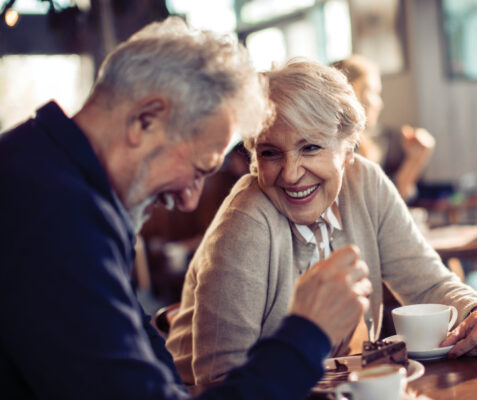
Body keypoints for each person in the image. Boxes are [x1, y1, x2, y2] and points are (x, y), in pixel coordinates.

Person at [0, 18, 372, 400]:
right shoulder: (54, 220)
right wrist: (307, 333)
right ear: (146, 121)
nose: (191, 201)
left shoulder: (47, 175)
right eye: (199, 170)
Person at [166, 59, 477, 389]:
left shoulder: (366, 183)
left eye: (310, 148)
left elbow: (427, 282)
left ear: (349, 150)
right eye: (270, 152)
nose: (290, 174)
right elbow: (220, 380)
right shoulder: (245, 220)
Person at [332, 55, 435, 202]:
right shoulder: (341, 151)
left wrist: (415, 159)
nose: (379, 104)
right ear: (352, 94)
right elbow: (377, 207)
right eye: (374, 93)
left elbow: (389, 203)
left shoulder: (365, 146)